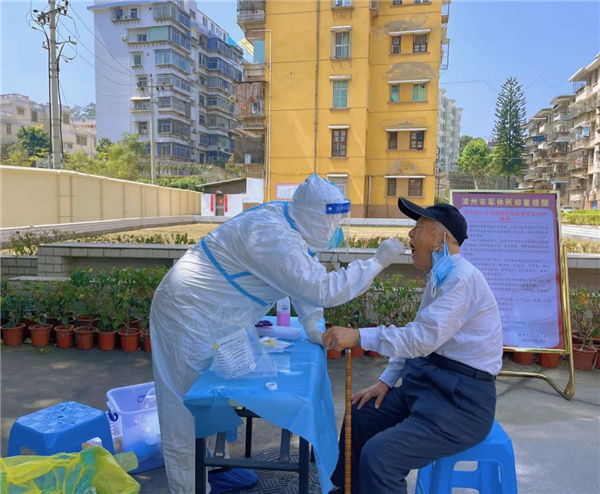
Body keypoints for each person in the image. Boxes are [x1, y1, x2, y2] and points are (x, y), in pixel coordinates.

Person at [150, 174, 405, 493]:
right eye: (332, 222)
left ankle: (213, 468)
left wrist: (312, 326)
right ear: (314, 218)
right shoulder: (270, 235)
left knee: (213, 396)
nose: (335, 229)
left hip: (220, 316)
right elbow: (320, 288)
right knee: (186, 404)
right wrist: (376, 263)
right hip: (185, 314)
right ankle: (188, 487)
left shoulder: (292, 222)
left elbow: (303, 275)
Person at [323, 197, 503, 494]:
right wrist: (385, 381)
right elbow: (415, 336)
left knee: (382, 456)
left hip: (459, 403)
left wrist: (358, 336)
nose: (410, 234)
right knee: (361, 413)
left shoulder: (462, 280)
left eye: (418, 227)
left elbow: (420, 339)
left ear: (441, 239)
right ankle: (349, 490)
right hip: (426, 386)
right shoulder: (440, 277)